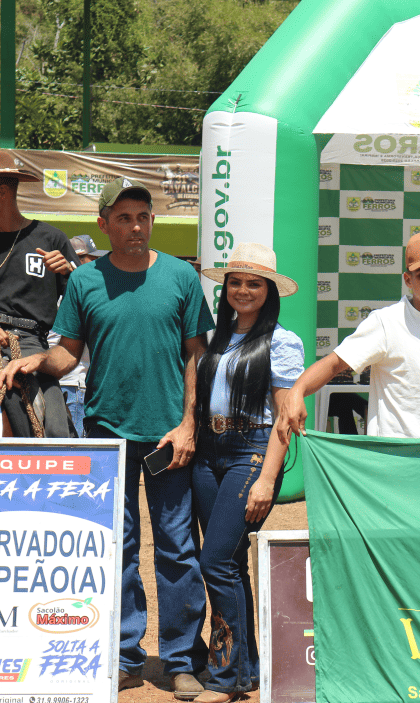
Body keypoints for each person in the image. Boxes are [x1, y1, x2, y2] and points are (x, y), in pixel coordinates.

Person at [2, 177, 213, 698]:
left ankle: (181, 659)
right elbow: (68, 353)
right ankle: (124, 656)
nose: (135, 227)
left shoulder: (181, 277)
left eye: (142, 217)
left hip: (168, 435)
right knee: (116, 548)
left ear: (152, 221)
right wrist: (35, 360)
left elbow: (197, 354)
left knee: (177, 547)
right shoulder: (85, 281)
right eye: (123, 218)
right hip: (106, 431)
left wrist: (189, 423)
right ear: (103, 224)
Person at [194, 243, 304, 702]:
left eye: (253, 284)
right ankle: (247, 669)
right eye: (235, 282)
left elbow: (285, 420)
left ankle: (225, 678)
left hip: (252, 452)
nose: (242, 290)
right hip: (208, 451)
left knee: (215, 562)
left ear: (269, 291)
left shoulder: (282, 342)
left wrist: (266, 479)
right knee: (230, 563)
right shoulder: (216, 337)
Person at [276, 229, 420, 442]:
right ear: (408, 280)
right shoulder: (387, 322)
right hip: (394, 455)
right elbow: (333, 364)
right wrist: (297, 391)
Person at [0, 150, 78, 437]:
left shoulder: (50, 238)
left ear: (2, 191)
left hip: (31, 343)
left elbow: (84, 302)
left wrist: (69, 272)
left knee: (56, 429)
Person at [48, 235, 108, 437]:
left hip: (66, 383)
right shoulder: (73, 292)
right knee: (74, 449)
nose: (97, 264)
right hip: (72, 385)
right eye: (92, 258)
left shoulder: (59, 289)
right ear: (78, 259)